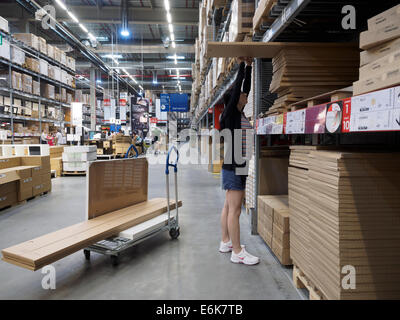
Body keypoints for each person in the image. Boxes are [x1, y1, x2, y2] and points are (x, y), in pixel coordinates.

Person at [219, 57, 259, 265]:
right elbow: (238, 90)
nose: (245, 95)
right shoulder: (231, 115)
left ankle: (226, 241)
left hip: (235, 165)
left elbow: (247, 89)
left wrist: (250, 67)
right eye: (241, 95)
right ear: (235, 100)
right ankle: (237, 252)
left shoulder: (238, 114)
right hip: (235, 166)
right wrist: (241, 66)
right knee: (234, 210)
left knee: (228, 207)